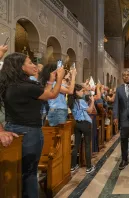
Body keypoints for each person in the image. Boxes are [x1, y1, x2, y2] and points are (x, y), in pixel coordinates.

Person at [0, 52, 65, 198]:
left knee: (19, 172)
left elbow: (44, 93)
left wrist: (49, 81)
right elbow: (52, 94)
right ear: (20, 67)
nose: (33, 65)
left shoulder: (9, 85)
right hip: (30, 132)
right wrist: (59, 78)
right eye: (29, 62)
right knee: (29, 173)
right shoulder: (26, 87)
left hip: (11, 128)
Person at [68, 84, 95, 174]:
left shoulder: (72, 102)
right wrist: (92, 102)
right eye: (81, 91)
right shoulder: (80, 101)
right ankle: (88, 167)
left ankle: (72, 166)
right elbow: (90, 110)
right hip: (85, 124)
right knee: (87, 145)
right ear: (76, 92)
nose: (82, 92)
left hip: (77, 124)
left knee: (76, 145)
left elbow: (82, 109)